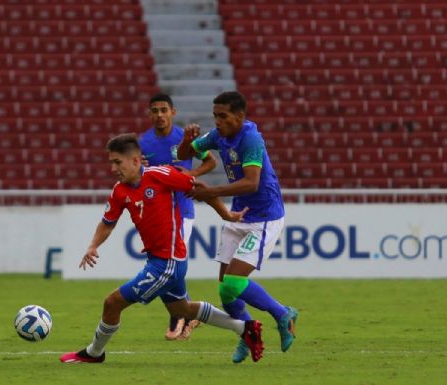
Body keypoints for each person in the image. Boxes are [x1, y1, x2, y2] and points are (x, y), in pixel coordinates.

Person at [60, 133, 264, 364]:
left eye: (118, 162)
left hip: (168, 262)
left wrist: (225, 214)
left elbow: (198, 186)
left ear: (136, 161)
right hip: (159, 260)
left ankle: (94, 353)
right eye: (111, 163)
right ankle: (245, 328)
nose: (113, 168)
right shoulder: (119, 190)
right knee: (183, 310)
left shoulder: (160, 176)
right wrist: (93, 246)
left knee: (112, 303)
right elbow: (108, 222)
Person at [176, 91, 299, 364]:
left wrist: (212, 192)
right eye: (215, 116)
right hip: (239, 215)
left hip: (264, 216)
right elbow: (183, 155)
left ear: (239, 116)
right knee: (225, 290)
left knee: (233, 282)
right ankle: (247, 335)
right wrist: (186, 141)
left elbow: (252, 183)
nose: (217, 121)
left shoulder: (251, 139)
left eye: (223, 116)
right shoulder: (218, 136)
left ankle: (282, 313)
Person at [139, 93, 217, 341]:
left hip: (182, 211)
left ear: (173, 112)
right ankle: (184, 310)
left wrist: (191, 174)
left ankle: (178, 313)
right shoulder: (143, 143)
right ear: (149, 114)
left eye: (164, 110)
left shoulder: (185, 139)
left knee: (169, 263)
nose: (159, 115)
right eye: (155, 110)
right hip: (156, 214)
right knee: (166, 264)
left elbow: (211, 162)